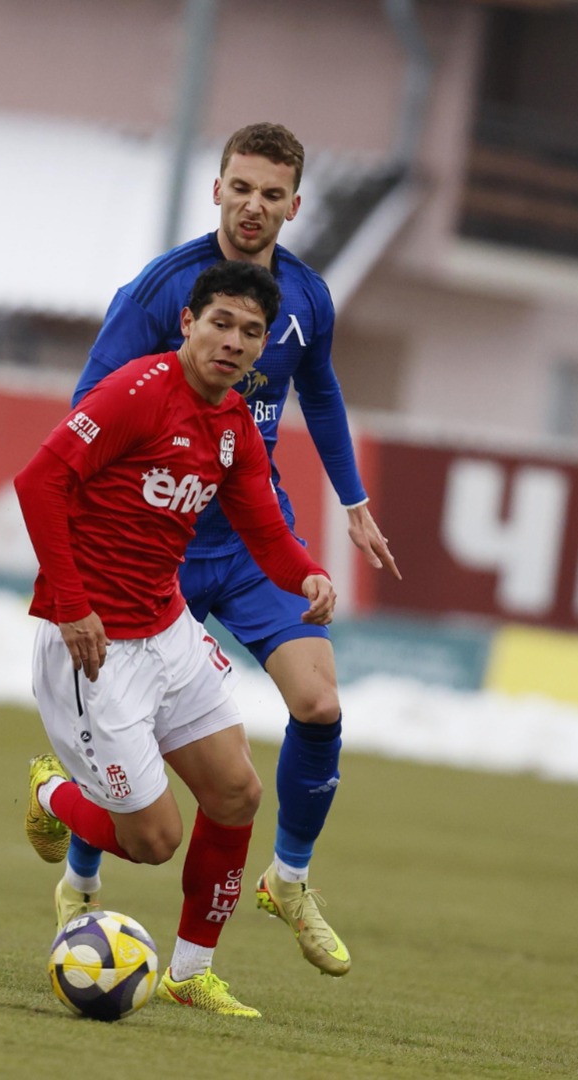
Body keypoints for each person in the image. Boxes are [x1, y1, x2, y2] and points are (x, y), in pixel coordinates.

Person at [64, 122, 401, 979]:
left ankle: (289, 880)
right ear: (216, 190)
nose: (255, 206)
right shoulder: (163, 289)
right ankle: (80, 876)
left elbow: (317, 389)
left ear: (296, 204)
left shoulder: (309, 300)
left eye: (272, 193)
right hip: (161, 542)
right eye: (241, 187)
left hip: (253, 538)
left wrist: (352, 501)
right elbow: (88, 408)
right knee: (131, 727)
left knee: (319, 705)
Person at [17, 260, 336, 1018]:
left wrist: (308, 576)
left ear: (262, 347)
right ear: (189, 321)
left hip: (167, 630)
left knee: (237, 792)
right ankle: (53, 792)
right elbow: (39, 483)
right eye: (220, 323)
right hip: (94, 648)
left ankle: (192, 973)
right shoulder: (136, 392)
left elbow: (263, 522)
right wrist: (71, 603)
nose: (232, 341)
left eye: (250, 332)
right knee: (154, 840)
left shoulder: (234, 424)